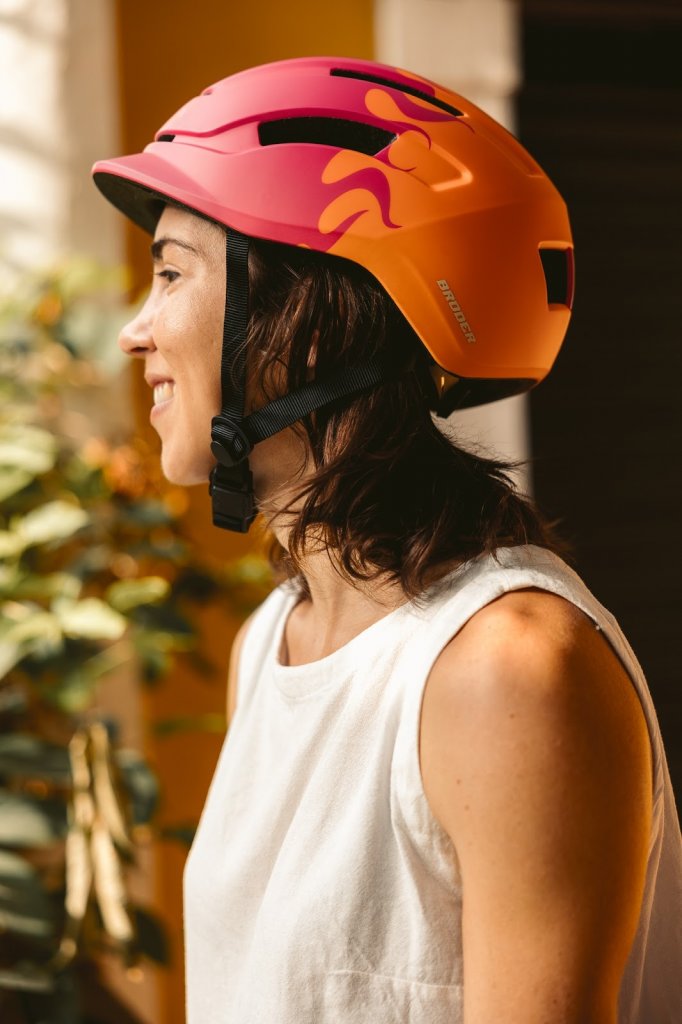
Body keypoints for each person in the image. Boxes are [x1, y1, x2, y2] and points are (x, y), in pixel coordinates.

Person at [93, 56, 682, 1024]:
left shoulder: (508, 673)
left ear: (310, 319)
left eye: (170, 274)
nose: (136, 331)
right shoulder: (274, 639)